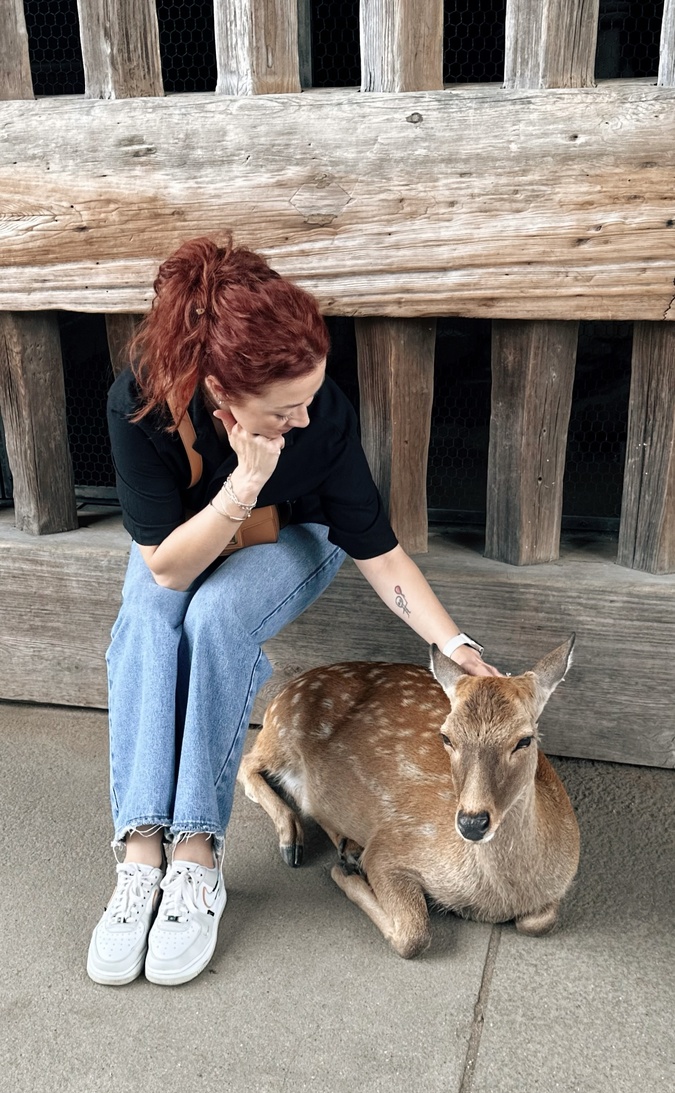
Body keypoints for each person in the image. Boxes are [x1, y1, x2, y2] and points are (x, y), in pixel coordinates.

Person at [87, 233, 500, 989]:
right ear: (220, 390)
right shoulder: (141, 400)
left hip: (295, 535)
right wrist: (242, 484)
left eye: (310, 397)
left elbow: (379, 552)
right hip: (191, 537)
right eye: (285, 409)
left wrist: (455, 645)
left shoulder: (321, 415)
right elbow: (167, 567)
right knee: (150, 614)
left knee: (215, 619)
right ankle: (140, 854)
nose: (306, 418)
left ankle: (195, 857)